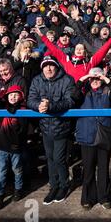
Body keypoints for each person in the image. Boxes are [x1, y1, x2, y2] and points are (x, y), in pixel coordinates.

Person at [27, 56, 76, 205]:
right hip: (45, 127)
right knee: (50, 158)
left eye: (51, 65)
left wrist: (51, 106)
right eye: (45, 66)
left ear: (56, 66)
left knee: (59, 158)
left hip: (61, 126)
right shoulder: (37, 80)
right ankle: (53, 186)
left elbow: (70, 101)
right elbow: (31, 99)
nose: (48, 69)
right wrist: (38, 106)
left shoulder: (67, 79)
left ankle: (63, 185)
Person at [74, 68, 111, 210]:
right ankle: (88, 198)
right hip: (87, 135)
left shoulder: (107, 91)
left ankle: (104, 197)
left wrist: (105, 78)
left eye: (97, 78)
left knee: (103, 168)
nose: (95, 81)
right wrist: (85, 76)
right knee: (88, 169)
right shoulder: (83, 93)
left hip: (104, 135)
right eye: (92, 79)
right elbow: (73, 95)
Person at [0, 86, 28, 210]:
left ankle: (18, 189)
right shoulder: (2, 106)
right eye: (10, 95)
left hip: (15, 146)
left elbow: (23, 130)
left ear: (21, 96)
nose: (13, 97)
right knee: (1, 172)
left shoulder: (23, 110)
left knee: (17, 169)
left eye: (16, 95)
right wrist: (1, 94)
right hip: (1, 146)